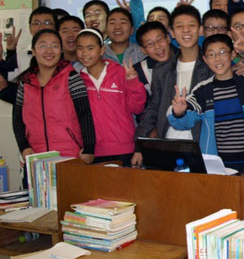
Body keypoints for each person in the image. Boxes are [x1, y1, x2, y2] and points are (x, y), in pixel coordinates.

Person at [133, 5, 212, 166]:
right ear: (172, 33)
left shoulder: (212, 66)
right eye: (179, 26)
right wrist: (139, 146)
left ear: (201, 29)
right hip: (168, 143)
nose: (186, 31)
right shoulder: (162, 71)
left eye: (191, 25)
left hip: (203, 144)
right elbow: (153, 108)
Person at [168, 34, 244, 173]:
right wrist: (178, 112)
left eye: (222, 52)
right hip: (216, 164)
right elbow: (184, 123)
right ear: (205, 60)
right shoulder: (203, 90)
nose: (217, 59)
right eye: (211, 55)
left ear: (232, 54)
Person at [12, 29, 95, 167]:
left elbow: (85, 113)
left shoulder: (71, 77)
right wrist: (24, 147)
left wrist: (89, 148)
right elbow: (17, 119)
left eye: (55, 45)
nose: (49, 51)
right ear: (33, 50)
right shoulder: (25, 83)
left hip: (70, 156)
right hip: (36, 157)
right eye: (43, 45)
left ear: (61, 50)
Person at [76, 28, 146, 164]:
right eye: (80, 48)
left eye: (90, 48)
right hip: (93, 152)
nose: (85, 53)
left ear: (102, 50)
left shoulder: (120, 72)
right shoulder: (77, 80)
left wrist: (132, 83)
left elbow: (137, 108)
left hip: (124, 149)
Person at [134, 21, 178, 96]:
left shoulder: (185, 58)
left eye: (160, 40)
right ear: (143, 50)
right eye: (150, 44)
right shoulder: (139, 72)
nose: (157, 46)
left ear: (168, 38)